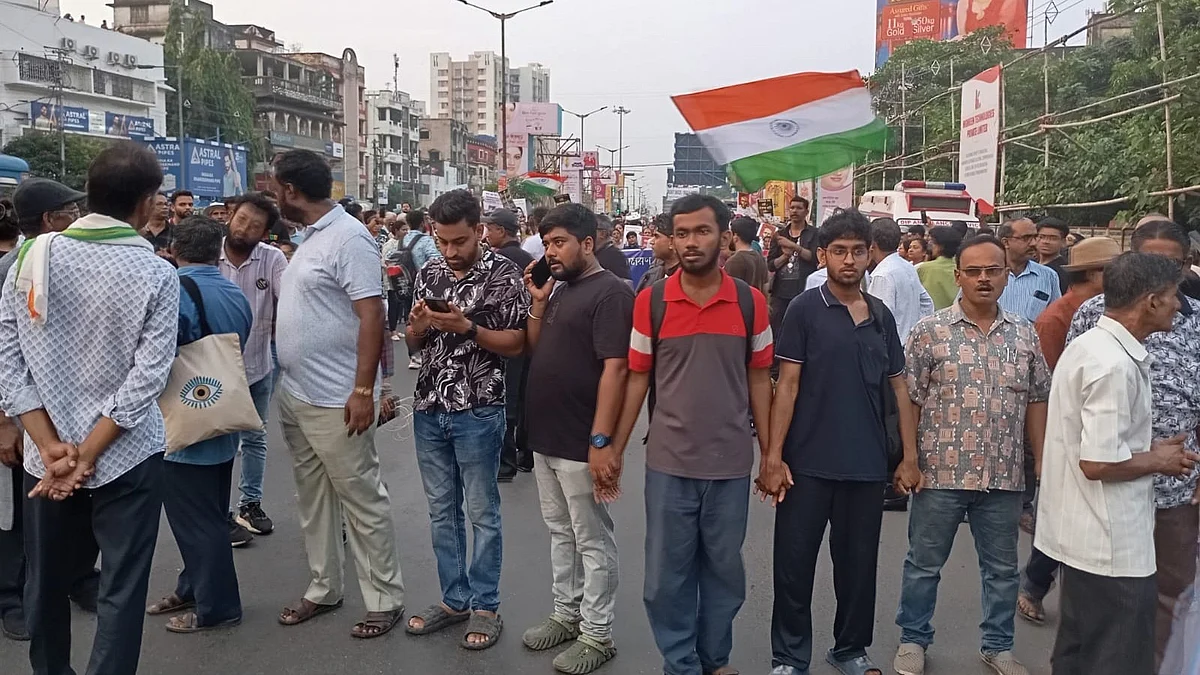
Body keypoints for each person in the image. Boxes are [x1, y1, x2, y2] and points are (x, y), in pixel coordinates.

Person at [0, 142, 177, 675]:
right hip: (126, 457)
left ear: (90, 193)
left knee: (45, 582)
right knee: (120, 588)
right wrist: (86, 455)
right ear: (146, 203)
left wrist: (52, 448)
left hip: (44, 459)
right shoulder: (157, 274)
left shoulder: (30, 256)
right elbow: (147, 379)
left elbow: (8, 361)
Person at [603, 194, 773, 675]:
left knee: (723, 573)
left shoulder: (749, 302)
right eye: (682, 233)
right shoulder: (650, 302)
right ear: (672, 239)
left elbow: (761, 377)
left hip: (731, 465)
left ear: (723, 236)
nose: (691, 242)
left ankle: (713, 660)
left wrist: (772, 453)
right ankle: (680, 663)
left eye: (702, 231)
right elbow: (637, 378)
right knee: (664, 578)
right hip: (668, 465)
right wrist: (613, 447)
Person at [1035, 221, 1200, 674]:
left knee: (1079, 647)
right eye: (1171, 297)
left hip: (1086, 534)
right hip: (1112, 545)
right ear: (1150, 302)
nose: (1176, 307)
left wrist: (1147, 448)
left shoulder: (1099, 345)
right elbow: (1097, 461)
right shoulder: (1113, 363)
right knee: (1117, 655)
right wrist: (1160, 459)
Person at [765, 209, 918, 675]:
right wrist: (773, 456)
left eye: (857, 251)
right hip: (807, 462)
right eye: (839, 251)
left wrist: (909, 457)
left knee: (857, 569)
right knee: (793, 568)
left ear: (869, 254)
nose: (849, 260)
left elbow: (899, 388)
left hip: (867, 464)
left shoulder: (881, 317)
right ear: (824, 256)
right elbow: (786, 385)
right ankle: (790, 658)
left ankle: (849, 649)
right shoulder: (804, 310)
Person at [892, 235, 1050, 675]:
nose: (984, 279)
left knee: (1002, 570)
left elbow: (1038, 399)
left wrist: (1041, 463)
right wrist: (908, 458)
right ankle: (913, 639)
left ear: (1005, 275)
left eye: (993, 270)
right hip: (940, 473)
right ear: (958, 275)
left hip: (1003, 475)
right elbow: (911, 399)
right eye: (974, 271)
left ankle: (998, 647)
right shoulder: (930, 332)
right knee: (923, 566)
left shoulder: (1024, 333)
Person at [270, 149, 406, 639]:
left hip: (337, 398)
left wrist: (365, 389)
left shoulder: (349, 237)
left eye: (275, 187)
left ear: (290, 189)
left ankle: (384, 598)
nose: (273, 195)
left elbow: (373, 316)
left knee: (362, 500)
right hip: (298, 393)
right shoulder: (311, 239)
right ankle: (324, 587)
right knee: (313, 499)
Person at [404, 189, 529, 650]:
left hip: (478, 406)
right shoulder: (430, 271)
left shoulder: (505, 275)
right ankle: (454, 600)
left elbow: (517, 344)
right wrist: (417, 327)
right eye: (442, 241)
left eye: (458, 241)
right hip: (429, 406)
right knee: (441, 511)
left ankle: (485, 605)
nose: (450, 251)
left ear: (479, 231)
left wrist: (469, 328)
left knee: (482, 512)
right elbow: (415, 346)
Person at [521, 203, 632, 673]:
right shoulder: (560, 289)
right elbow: (533, 346)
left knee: (592, 539)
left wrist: (602, 440)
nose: (551, 252)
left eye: (560, 242)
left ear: (588, 243)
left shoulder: (611, 293)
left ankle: (597, 634)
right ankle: (566, 616)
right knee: (559, 532)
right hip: (546, 436)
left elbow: (616, 368)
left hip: (581, 438)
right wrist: (538, 302)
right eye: (547, 244)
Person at [0, 179, 101, 643]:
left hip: (64, 411)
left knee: (74, 503)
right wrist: (5, 422)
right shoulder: (13, 267)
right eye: (69, 211)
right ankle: (13, 599)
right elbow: (4, 352)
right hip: (21, 416)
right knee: (21, 515)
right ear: (48, 220)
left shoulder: (68, 259)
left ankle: (79, 579)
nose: (77, 217)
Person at [146, 215, 251, 633]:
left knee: (197, 522)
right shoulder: (232, 290)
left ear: (173, 248)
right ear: (218, 248)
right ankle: (191, 587)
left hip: (185, 419)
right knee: (206, 513)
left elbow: (163, 351)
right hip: (222, 414)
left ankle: (218, 606)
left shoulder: (175, 289)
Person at [218, 192, 288, 540]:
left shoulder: (272, 259)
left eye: (255, 226)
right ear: (231, 216)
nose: (245, 228)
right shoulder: (207, 254)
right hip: (214, 370)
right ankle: (220, 511)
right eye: (242, 219)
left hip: (259, 364)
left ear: (265, 233)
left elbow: (288, 302)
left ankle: (251, 504)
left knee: (255, 436)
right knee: (219, 440)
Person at [483, 207, 534, 481]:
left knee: (504, 400)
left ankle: (506, 462)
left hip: (503, 337)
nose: (486, 234)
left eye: (489, 229)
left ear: (502, 231)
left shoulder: (496, 261)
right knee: (523, 398)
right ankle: (526, 454)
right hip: (528, 335)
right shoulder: (528, 258)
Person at [1032, 237, 1118, 370]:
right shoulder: (1054, 319)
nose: (1122, 276)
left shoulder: (1115, 307)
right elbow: (1047, 376)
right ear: (1092, 274)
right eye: (1115, 270)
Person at [767, 197, 819, 362]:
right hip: (780, 293)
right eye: (792, 208)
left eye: (798, 208)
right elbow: (770, 265)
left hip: (803, 290)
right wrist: (785, 256)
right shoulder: (779, 235)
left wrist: (794, 246)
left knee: (804, 330)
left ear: (806, 211)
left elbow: (814, 258)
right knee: (777, 330)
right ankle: (776, 368)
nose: (794, 211)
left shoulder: (813, 234)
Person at [866, 218, 934, 341]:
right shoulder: (907, 266)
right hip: (909, 343)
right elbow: (926, 303)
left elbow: (880, 320)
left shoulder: (882, 275)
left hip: (891, 347)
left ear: (872, 244)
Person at [397, 209, 441, 367]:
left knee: (411, 318)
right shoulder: (425, 240)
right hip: (421, 284)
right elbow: (436, 260)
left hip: (402, 283)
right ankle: (419, 355)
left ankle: (412, 356)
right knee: (422, 318)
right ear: (423, 223)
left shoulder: (401, 240)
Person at [996, 217, 1061, 323]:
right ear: (1006, 242)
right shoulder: (985, 274)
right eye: (1026, 238)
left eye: (1035, 237)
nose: (1034, 243)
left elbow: (1055, 318)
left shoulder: (1048, 276)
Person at [916, 227, 962, 311]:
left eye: (932, 242)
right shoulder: (962, 268)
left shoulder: (923, 268)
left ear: (941, 246)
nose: (930, 245)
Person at [634, 215, 679, 295]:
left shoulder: (692, 280)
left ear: (671, 241)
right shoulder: (649, 276)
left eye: (656, 236)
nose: (651, 242)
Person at [726, 215, 770, 294]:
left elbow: (729, 291)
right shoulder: (759, 257)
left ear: (735, 236)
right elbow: (765, 287)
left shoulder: (734, 261)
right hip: (757, 304)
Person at [1036, 217, 1071, 293]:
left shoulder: (1064, 271)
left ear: (1063, 242)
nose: (1046, 241)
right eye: (1042, 237)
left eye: (1053, 238)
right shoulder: (1028, 265)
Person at [593, 215, 631, 282]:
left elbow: (623, 285)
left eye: (591, 229)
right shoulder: (593, 253)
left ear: (602, 233)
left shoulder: (616, 256)